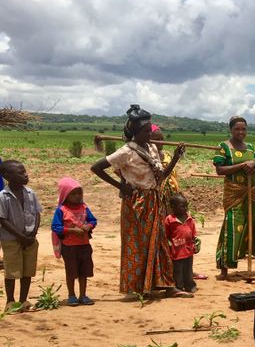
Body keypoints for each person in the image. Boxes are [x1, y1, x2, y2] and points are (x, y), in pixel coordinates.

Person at [90, 104, 190, 298]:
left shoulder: (152, 148)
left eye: (149, 130)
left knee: (160, 242)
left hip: (154, 199)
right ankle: (140, 287)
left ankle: (167, 286)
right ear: (136, 132)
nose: (150, 135)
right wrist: (120, 186)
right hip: (137, 202)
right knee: (138, 245)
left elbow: (161, 177)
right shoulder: (125, 152)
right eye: (146, 131)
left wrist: (176, 158)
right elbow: (96, 168)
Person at [214, 116, 255, 278]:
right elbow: (220, 170)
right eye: (237, 129)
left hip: (253, 192)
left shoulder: (250, 148)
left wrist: (254, 165)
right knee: (231, 225)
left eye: (243, 129)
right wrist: (242, 165)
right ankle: (225, 267)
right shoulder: (224, 147)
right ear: (231, 130)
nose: (241, 132)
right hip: (234, 193)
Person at [0, 160, 41, 312]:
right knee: (12, 271)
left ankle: (24, 300)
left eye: (25, 171)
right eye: (21, 172)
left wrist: (33, 234)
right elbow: (2, 220)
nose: (26, 175)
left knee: (27, 271)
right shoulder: (3, 196)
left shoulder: (31, 193)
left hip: (30, 239)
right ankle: (10, 301)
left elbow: (37, 213)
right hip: (11, 240)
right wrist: (21, 237)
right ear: (7, 176)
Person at [51, 177, 97, 306]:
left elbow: (93, 220)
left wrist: (89, 226)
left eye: (79, 193)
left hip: (84, 245)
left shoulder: (84, 207)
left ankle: (83, 295)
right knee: (71, 272)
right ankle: (71, 295)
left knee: (84, 272)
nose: (77, 196)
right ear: (65, 195)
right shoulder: (61, 210)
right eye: (73, 194)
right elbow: (56, 227)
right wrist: (71, 230)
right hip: (69, 247)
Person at [165, 193, 198, 294]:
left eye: (186, 206)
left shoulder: (189, 219)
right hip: (176, 251)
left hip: (188, 249)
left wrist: (195, 243)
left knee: (188, 269)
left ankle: (190, 285)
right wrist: (169, 244)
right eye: (182, 206)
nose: (185, 208)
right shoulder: (169, 220)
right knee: (177, 270)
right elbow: (166, 235)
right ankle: (178, 286)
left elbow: (193, 233)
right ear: (173, 207)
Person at [151, 124, 180, 197]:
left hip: (171, 194)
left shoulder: (167, 155)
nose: (161, 142)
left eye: (162, 138)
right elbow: (160, 177)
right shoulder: (148, 158)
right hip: (156, 196)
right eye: (157, 139)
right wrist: (175, 159)